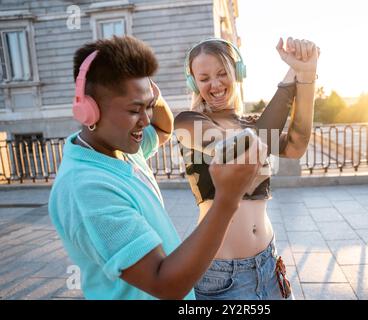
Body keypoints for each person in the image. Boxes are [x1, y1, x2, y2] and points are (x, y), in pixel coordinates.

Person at [48, 35, 263, 300]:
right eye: (134, 110)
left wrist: (150, 94)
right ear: (89, 111)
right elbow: (165, 285)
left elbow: (163, 128)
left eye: (148, 106)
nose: (145, 120)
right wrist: (227, 199)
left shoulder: (120, 146)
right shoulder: (85, 188)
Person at [174, 37, 319, 300]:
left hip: (268, 261)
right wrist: (291, 77)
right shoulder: (188, 123)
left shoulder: (252, 123)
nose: (215, 84)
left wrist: (306, 75)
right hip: (222, 276)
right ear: (193, 82)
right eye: (204, 78)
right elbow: (246, 149)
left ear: (237, 74)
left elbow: (296, 144)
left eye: (222, 73)